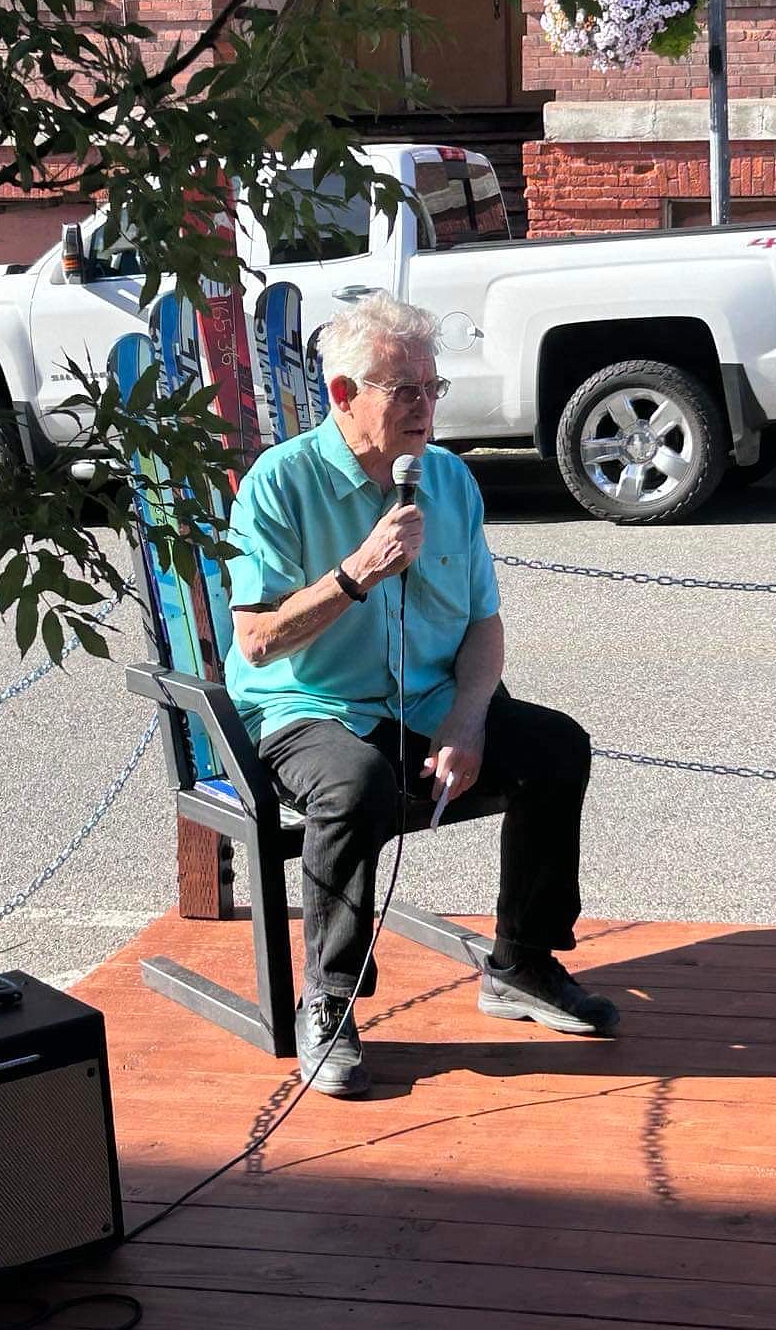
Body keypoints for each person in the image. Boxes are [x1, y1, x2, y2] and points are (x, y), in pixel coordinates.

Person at [224, 292, 618, 1097]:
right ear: (343, 395)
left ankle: (521, 964)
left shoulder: (446, 481)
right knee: (356, 785)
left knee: (555, 748)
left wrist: (469, 719)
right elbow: (258, 639)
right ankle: (330, 1001)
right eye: (405, 390)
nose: (425, 408)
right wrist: (355, 572)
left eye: (432, 389)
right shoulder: (280, 482)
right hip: (308, 705)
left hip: (427, 701)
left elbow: (482, 625)